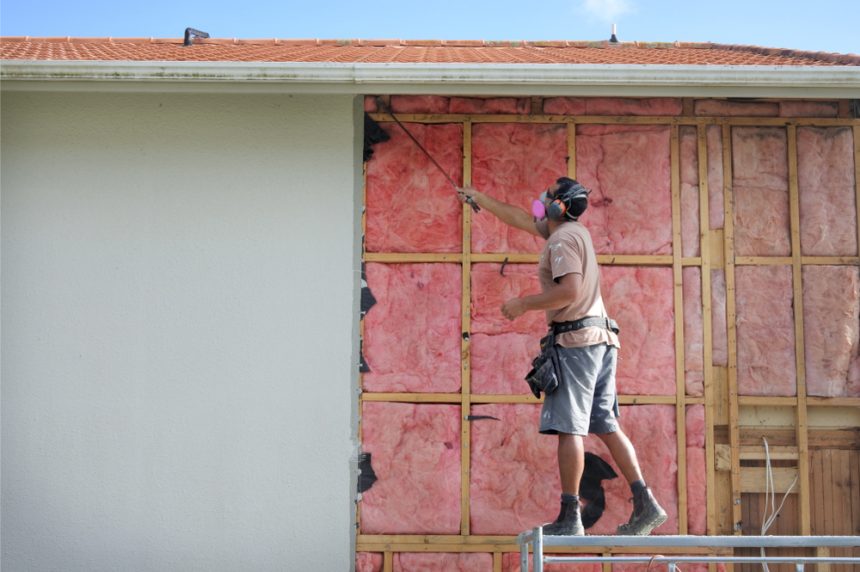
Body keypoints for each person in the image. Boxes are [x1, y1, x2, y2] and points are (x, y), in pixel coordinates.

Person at [459, 178, 667, 536]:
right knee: (604, 423)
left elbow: (567, 291)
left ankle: (570, 517)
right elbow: (522, 219)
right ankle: (645, 503)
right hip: (599, 340)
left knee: (569, 426)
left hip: (576, 344)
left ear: (557, 206)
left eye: (549, 196)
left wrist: (522, 304)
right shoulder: (573, 232)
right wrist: (481, 199)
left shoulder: (561, 240)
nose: (542, 199)